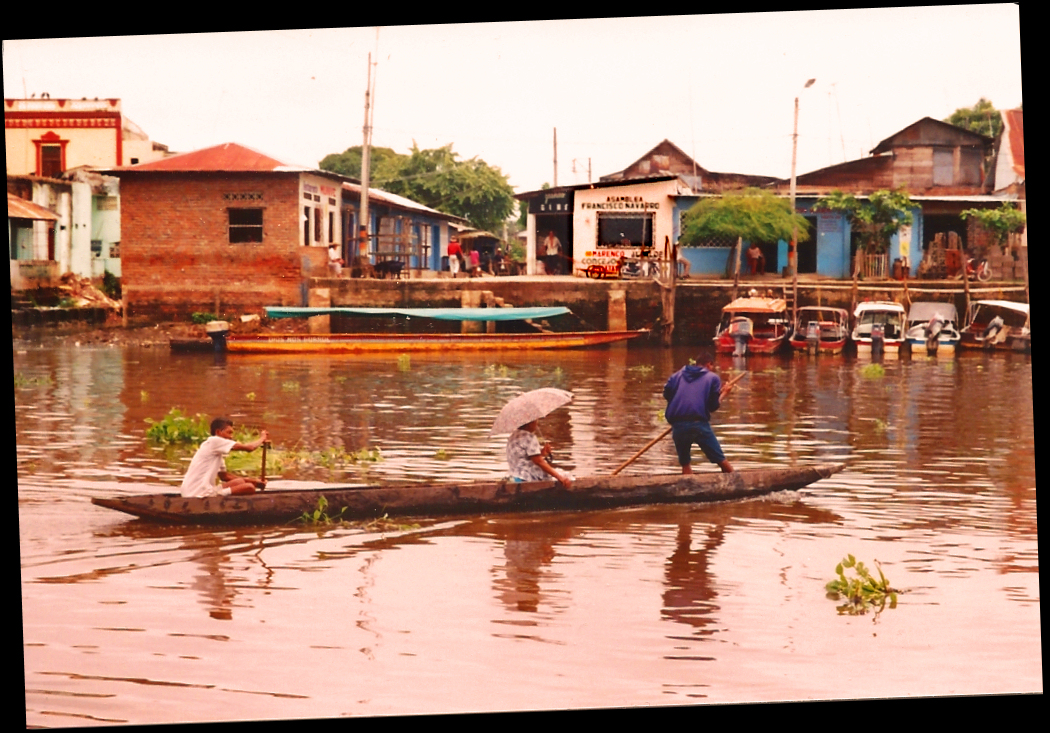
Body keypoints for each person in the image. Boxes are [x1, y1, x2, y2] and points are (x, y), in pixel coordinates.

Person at [663, 348, 734, 474]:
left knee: (685, 464)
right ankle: (737, 483)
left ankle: (687, 488)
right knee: (721, 460)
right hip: (698, 424)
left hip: (678, 425)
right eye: (712, 366)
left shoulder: (676, 376)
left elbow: (667, 394)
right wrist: (724, 393)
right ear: (708, 365)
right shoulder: (712, 378)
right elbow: (712, 406)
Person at [180, 418, 270, 497]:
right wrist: (262, 438)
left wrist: (256, 482)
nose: (231, 437)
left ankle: (220, 493)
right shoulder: (214, 441)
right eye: (229, 432)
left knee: (240, 482)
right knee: (249, 487)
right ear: (218, 432)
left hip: (193, 491)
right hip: (197, 493)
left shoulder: (217, 453)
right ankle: (219, 495)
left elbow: (225, 476)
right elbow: (249, 448)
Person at [506, 420, 572, 487]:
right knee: (566, 476)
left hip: (514, 475)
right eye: (536, 421)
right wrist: (559, 477)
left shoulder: (513, 436)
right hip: (526, 477)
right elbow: (539, 461)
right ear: (530, 423)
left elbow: (525, 457)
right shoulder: (529, 437)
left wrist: (542, 453)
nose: (537, 424)